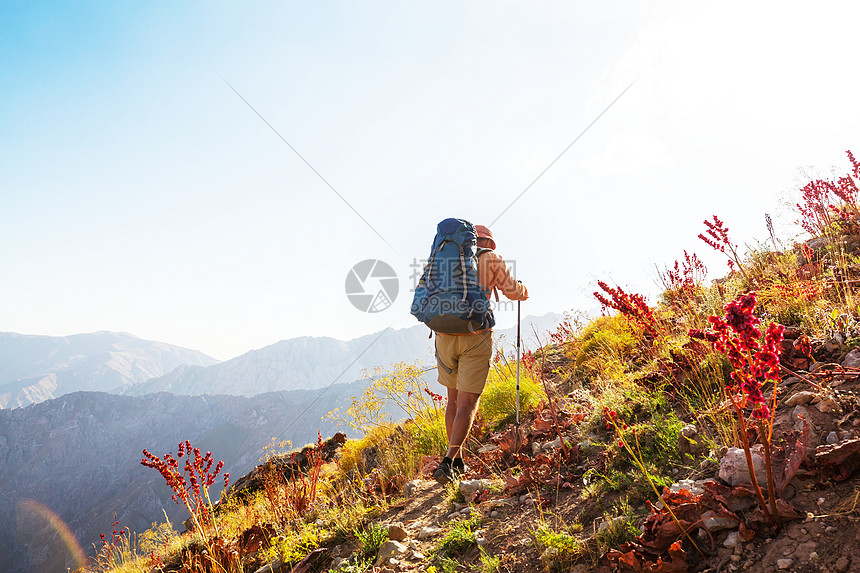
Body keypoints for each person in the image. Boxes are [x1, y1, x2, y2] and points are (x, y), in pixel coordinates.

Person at [433, 224, 528, 484]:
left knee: (452, 401)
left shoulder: (446, 259)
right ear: (490, 243)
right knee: (467, 403)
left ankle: (459, 459)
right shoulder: (492, 259)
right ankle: (448, 461)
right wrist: (523, 289)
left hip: (443, 336)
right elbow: (512, 292)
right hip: (474, 338)